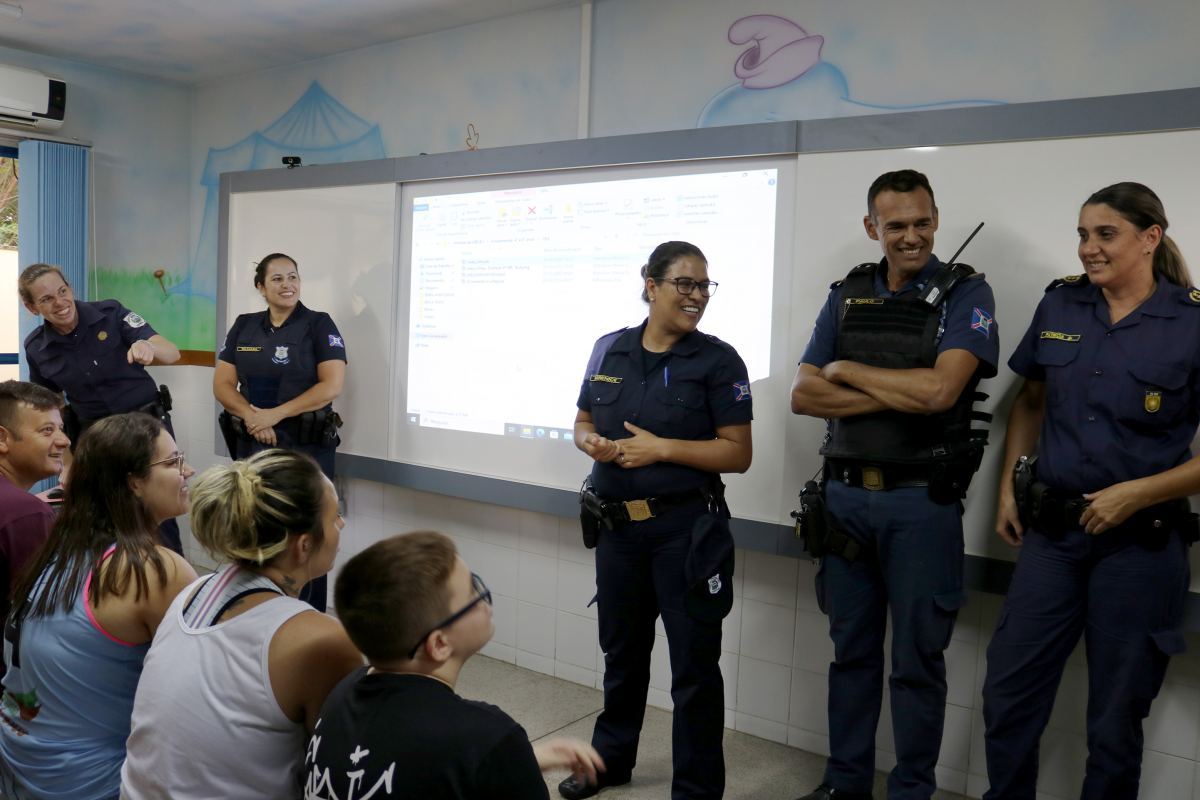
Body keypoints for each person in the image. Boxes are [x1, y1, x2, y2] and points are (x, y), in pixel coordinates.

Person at [982, 182, 1198, 799]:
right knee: (1009, 695)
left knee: (1113, 719)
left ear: (1149, 238)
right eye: (1082, 234)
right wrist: (1007, 489)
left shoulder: (1191, 320)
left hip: (1139, 548)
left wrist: (1138, 493)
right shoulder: (1062, 306)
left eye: (1105, 234)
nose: (1088, 248)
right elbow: (1029, 400)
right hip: (1052, 538)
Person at [790, 169, 998, 800]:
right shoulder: (847, 293)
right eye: (896, 224)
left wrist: (850, 369)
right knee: (850, 655)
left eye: (922, 222)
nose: (911, 236)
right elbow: (803, 394)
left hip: (920, 505)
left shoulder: (968, 292)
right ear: (871, 227)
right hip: (845, 499)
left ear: (936, 218)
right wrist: (901, 391)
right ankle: (844, 784)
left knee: (916, 665)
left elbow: (941, 392)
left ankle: (911, 791)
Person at [561, 241, 752, 800]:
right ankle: (609, 762)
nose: (696, 297)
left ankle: (695, 789)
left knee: (694, 665)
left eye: (704, 286)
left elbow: (738, 454)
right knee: (622, 655)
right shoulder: (609, 349)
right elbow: (581, 419)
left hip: (684, 532)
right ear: (650, 284)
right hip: (618, 530)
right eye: (684, 285)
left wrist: (662, 449)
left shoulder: (718, 361)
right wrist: (589, 443)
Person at [121, 449, 362, 800]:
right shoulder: (319, 640)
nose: (340, 524)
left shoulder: (193, 593)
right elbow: (343, 769)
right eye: (335, 515)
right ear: (304, 545)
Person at [303, 530, 605, 799]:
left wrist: (519, 760)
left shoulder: (340, 696)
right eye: (473, 591)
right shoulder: (489, 735)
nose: (483, 598)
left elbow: (404, 766)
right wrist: (503, 759)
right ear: (439, 644)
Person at [0, 412, 197, 800]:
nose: (187, 471)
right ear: (134, 482)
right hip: (88, 782)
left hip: (20, 764)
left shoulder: (61, 548)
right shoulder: (151, 568)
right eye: (173, 462)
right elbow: (199, 701)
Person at [19, 262, 185, 554]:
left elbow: (172, 352)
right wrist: (68, 462)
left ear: (70, 288)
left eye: (62, 291)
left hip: (147, 429)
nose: (60, 302)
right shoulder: (37, 347)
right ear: (32, 308)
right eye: (46, 299)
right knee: (109, 517)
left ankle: (176, 585)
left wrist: (148, 347)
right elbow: (51, 409)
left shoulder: (110, 313)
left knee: (159, 510)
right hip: (97, 438)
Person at [213, 252, 347, 612]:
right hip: (253, 445)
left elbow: (331, 385)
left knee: (308, 536)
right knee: (254, 529)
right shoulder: (244, 325)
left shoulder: (319, 324)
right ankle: (253, 610)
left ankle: (306, 617)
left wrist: (275, 415)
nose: (288, 285)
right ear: (260, 286)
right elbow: (223, 385)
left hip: (305, 449)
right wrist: (254, 418)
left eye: (293, 277)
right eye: (277, 279)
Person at [0, 381, 70, 628]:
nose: (65, 441)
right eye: (47, 431)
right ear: (2, 438)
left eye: (62, 429)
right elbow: (48, 610)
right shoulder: (26, 513)